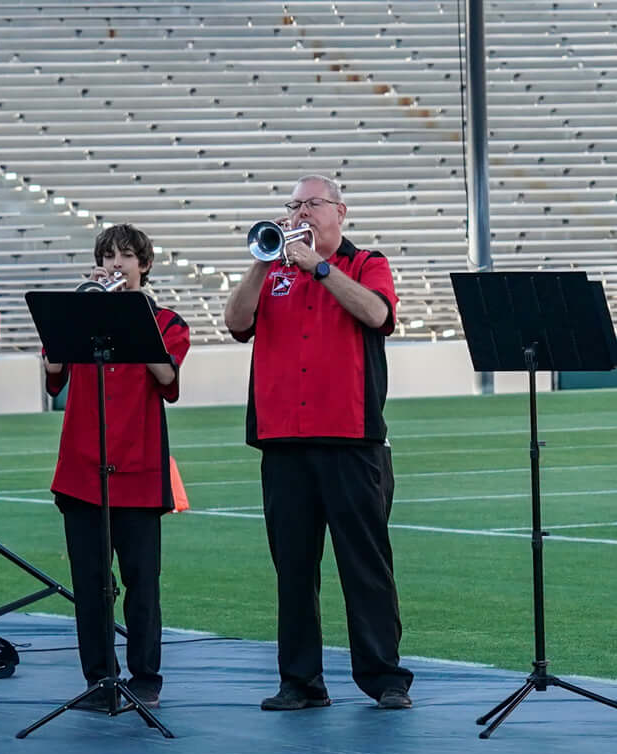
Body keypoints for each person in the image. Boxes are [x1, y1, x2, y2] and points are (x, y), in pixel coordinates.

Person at [226, 174, 413, 711]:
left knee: (366, 564)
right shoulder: (273, 270)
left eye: (311, 204)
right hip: (284, 439)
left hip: (351, 439)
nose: (300, 214)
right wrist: (263, 263)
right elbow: (236, 321)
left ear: (340, 212)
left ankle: (384, 677)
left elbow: (377, 314)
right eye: (293, 206)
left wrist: (319, 267)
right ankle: (300, 681)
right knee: (294, 567)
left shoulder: (365, 263)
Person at [45, 224, 190, 711]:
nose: (116, 266)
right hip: (82, 469)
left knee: (142, 582)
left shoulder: (167, 320)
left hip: (140, 468)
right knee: (90, 583)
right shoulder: (81, 318)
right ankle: (99, 677)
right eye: (109, 257)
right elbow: (53, 379)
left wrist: (135, 317)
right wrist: (72, 320)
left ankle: (145, 675)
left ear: (144, 265)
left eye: (126, 257)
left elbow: (168, 378)